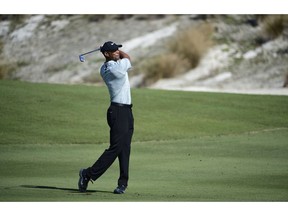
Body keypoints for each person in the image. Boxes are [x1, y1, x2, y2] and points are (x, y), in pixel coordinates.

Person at [78, 41, 134, 194]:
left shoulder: (104, 68)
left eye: (117, 50)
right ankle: (87, 174)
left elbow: (123, 57)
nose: (117, 52)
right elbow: (128, 57)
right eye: (113, 51)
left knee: (125, 149)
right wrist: (119, 53)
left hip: (126, 111)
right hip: (118, 111)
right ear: (106, 54)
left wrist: (112, 50)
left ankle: (122, 183)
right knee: (116, 148)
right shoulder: (116, 68)